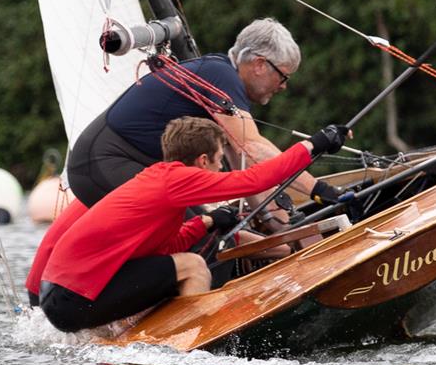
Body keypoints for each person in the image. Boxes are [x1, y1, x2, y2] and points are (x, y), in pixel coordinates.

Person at [37, 117, 348, 332]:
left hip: (61, 298)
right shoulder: (177, 180)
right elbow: (256, 179)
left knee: (178, 263)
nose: (221, 167)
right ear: (202, 161)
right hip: (72, 298)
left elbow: (165, 249)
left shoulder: (160, 179)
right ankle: (191, 344)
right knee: (194, 267)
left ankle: (143, 337)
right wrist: (314, 145)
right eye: (218, 160)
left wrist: (207, 221)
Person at [67, 17, 341, 217]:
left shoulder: (225, 82)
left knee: (212, 228)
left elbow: (246, 168)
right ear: (259, 64)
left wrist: (274, 221)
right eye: (283, 76)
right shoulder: (220, 74)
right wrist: (319, 189)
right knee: (200, 233)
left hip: (116, 163)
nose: (283, 86)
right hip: (104, 163)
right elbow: (255, 148)